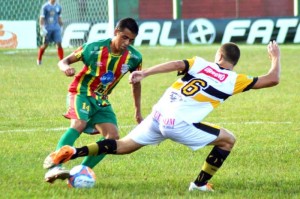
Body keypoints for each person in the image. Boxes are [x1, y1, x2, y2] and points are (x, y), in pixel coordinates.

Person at [44, 41, 281, 191]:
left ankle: (74, 151)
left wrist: (145, 72)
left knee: (123, 145)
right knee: (228, 139)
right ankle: (198, 185)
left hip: (158, 113)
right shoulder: (233, 79)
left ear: (218, 55)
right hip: (177, 123)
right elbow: (273, 79)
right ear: (233, 62)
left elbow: (175, 63)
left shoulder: (199, 63)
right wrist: (275, 58)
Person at [43, 17, 143, 183]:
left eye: (131, 40)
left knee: (112, 137)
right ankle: (55, 167)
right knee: (79, 124)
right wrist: (66, 68)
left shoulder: (134, 57)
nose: (127, 43)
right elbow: (64, 61)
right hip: (81, 91)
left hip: (102, 99)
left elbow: (136, 83)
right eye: (124, 37)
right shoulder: (94, 47)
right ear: (115, 32)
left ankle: (80, 172)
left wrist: (138, 111)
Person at [37, 0, 64, 65]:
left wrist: (61, 26)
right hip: (47, 28)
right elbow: (42, 18)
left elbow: (59, 17)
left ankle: (62, 61)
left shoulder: (58, 7)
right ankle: (39, 59)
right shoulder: (45, 7)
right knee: (45, 44)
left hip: (56, 28)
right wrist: (42, 27)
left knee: (59, 44)